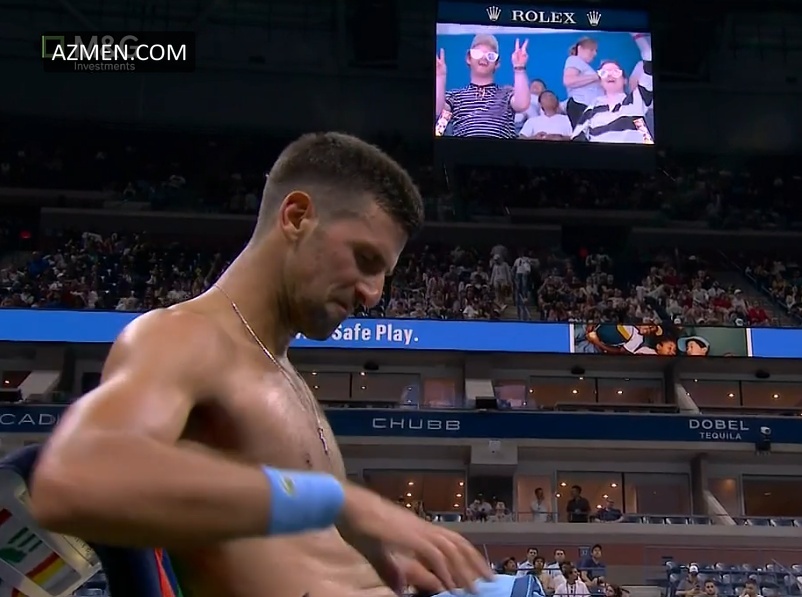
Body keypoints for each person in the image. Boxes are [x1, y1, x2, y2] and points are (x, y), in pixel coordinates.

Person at [28, 133, 492, 597]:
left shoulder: (291, 381)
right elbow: (72, 477)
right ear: (296, 216)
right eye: (364, 259)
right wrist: (336, 501)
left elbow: (305, 550)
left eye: (383, 275)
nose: (373, 294)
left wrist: (386, 562)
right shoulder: (185, 336)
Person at [434, 34, 531, 138]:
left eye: (490, 56)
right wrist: (440, 77)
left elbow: (522, 105)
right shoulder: (455, 96)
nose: (484, 58)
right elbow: (438, 112)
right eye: (477, 53)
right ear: (468, 58)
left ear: (497, 63)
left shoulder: (506, 94)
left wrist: (519, 68)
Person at [571, 34, 654, 144]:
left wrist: (637, 35)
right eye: (604, 73)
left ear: (624, 80)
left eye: (615, 72)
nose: (610, 75)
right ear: (601, 82)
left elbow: (650, 60)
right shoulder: (593, 106)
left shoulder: (636, 100)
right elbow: (577, 139)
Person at [562, 37, 603, 128]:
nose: (595, 54)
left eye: (596, 51)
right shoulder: (574, 60)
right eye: (591, 50)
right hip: (580, 105)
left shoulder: (585, 66)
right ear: (580, 48)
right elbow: (568, 80)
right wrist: (596, 77)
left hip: (589, 107)